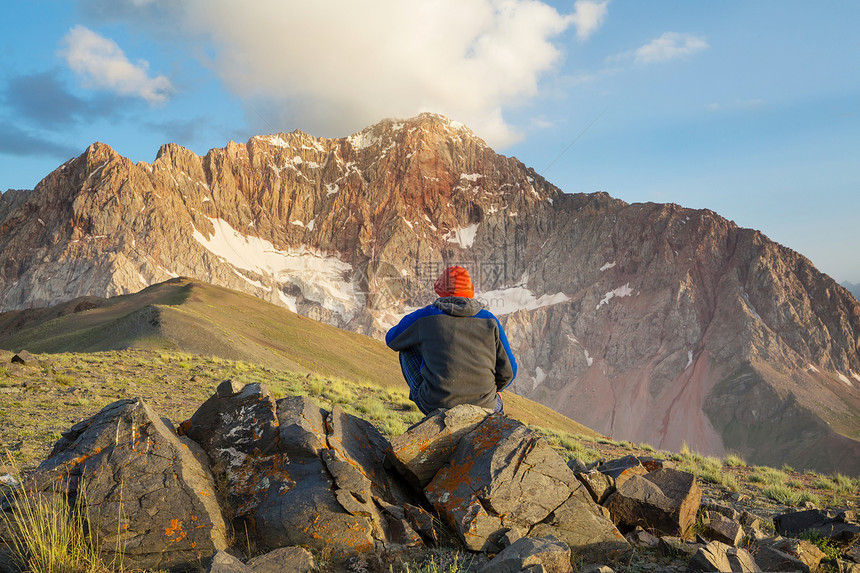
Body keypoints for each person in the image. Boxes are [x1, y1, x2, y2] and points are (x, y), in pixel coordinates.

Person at [385, 265, 517, 415]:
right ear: (470, 291)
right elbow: (509, 370)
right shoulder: (490, 320)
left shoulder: (425, 316)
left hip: (436, 405)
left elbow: (392, 339)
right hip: (486, 406)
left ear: (441, 290)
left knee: (406, 348)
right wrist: (493, 391)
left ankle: (432, 405)